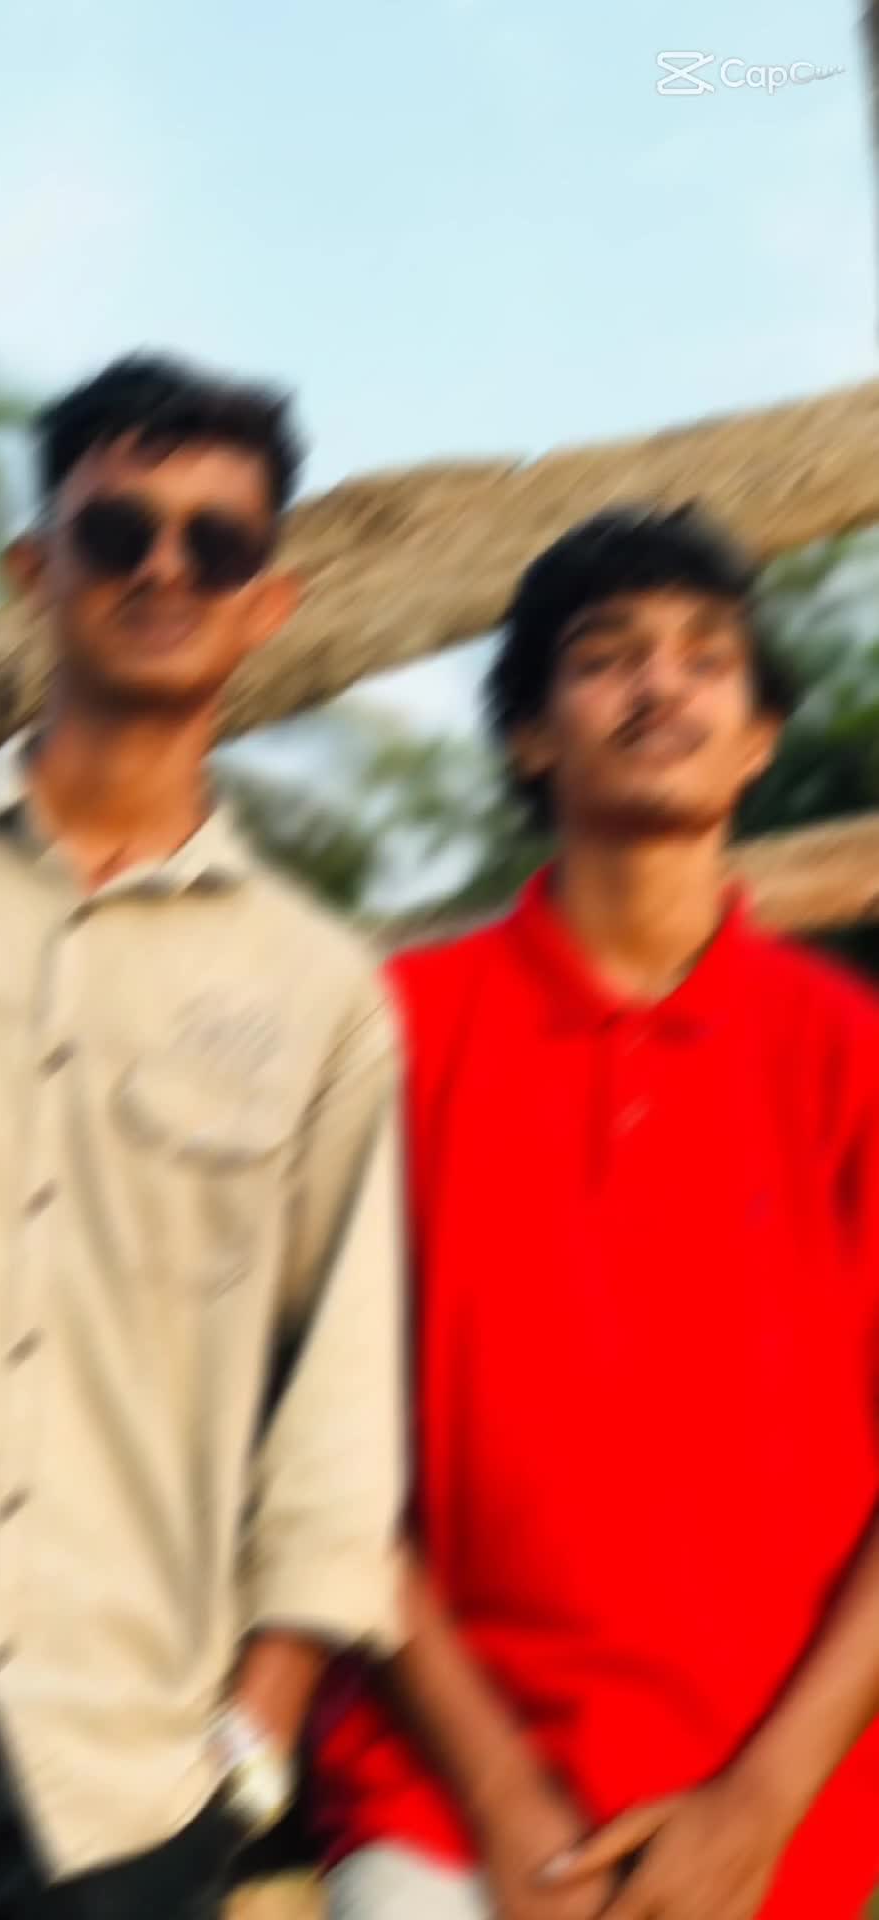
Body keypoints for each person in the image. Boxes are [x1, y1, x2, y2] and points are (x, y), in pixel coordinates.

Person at [0, 353, 404, 1919]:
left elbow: (339, 1403)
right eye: (116, 529)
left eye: (216, 543)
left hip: (119, 1790)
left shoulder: (317, 991)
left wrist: (254, 1738)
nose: (163, 569)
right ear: (33, 570)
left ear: (267, 604)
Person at [310, 504, 879, 1920]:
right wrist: (504, 1800)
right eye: (606, 655)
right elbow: (318, 1451)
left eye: (705, 658)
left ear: (756, 740)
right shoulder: (393, 1036)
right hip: (440, 1801)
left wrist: (758, 1807)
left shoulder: (848, 1056)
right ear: (528, 737)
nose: (660, 684)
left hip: (776, 1819)